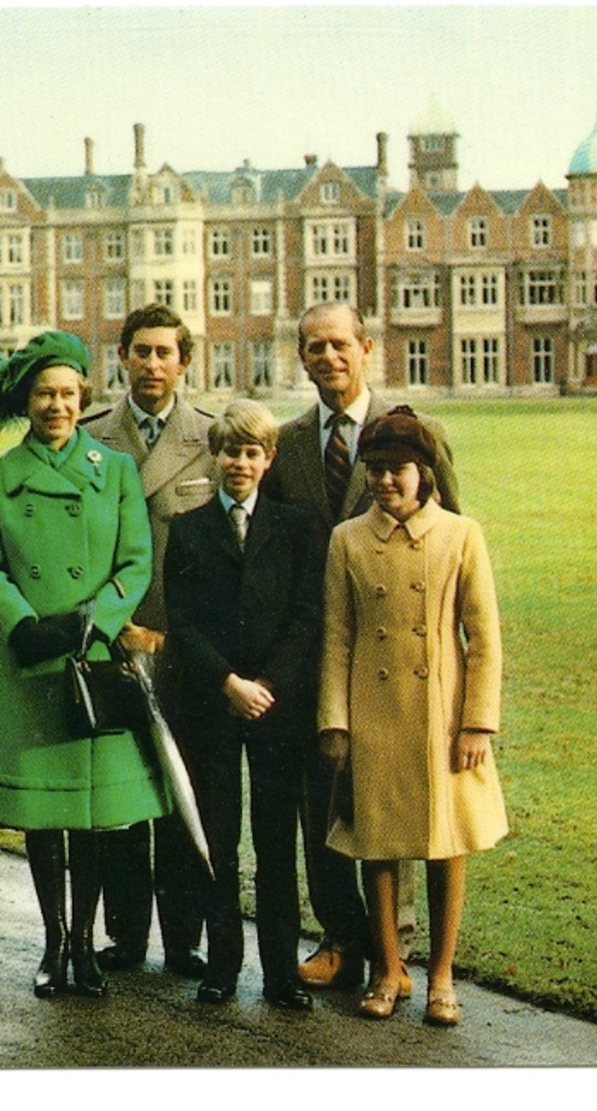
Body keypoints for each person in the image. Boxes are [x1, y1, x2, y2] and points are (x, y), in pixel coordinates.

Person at [0, 330, 170, 999]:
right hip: (30, 662)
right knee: (46, 819)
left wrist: (92, 622)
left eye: (68, 394)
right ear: (27, 400)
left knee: (93, 814)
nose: (57, 406)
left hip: (94, 661)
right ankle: (54, 943)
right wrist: (24, 625)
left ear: (84, 398)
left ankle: (85, 942)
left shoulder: (117, 471)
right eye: (45, 394)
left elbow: (136, 562)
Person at [265, 302, 461, 992]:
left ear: (367, 347)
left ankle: (395, 950)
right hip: (313, 653)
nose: (329, 358)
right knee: (322, 803)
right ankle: (341, 936)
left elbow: (450, 540)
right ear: (301, 356)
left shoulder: (415, 432)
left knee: (397, 797)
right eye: (314, 347)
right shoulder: (286, 444)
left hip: (400, 661)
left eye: (340, 344)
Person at [317, 405, 506, 1026]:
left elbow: (483, 637)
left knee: (447, 843)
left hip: (443, 715)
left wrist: (477, 722)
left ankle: (442, 977)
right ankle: (387, 969)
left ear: (424, 472)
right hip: (373, 712)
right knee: (377, 843)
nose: (384, 482)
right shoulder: (347, 539)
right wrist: (335, 720)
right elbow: (338, 637)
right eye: (374, 470)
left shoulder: (460, 534)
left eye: (397, 470)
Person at [162, 400, 323, 1009]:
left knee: (276, 844)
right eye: (231, 451)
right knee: (219, 839)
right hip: (214, 702)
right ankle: (222, 965)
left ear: (269, 460)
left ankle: (281, 971)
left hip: (276, 707)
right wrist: (229, 683)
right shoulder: (191, 527)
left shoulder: (294, 526)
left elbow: (307, 617)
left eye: (253, 453)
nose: (240, 463)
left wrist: (268, 686)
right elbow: (183, 619)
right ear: (216, 455)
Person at [82, 303, 214, 977]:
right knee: (121, 795)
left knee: (180, 787)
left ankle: (184, 937)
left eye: (166, 353)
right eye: (142, 352)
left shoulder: (212, 439)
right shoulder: (90, 435)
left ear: (185, 361)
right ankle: (125, 935)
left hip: (184, 647)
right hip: (112, 644)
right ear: (123, 359)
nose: (153, 365)